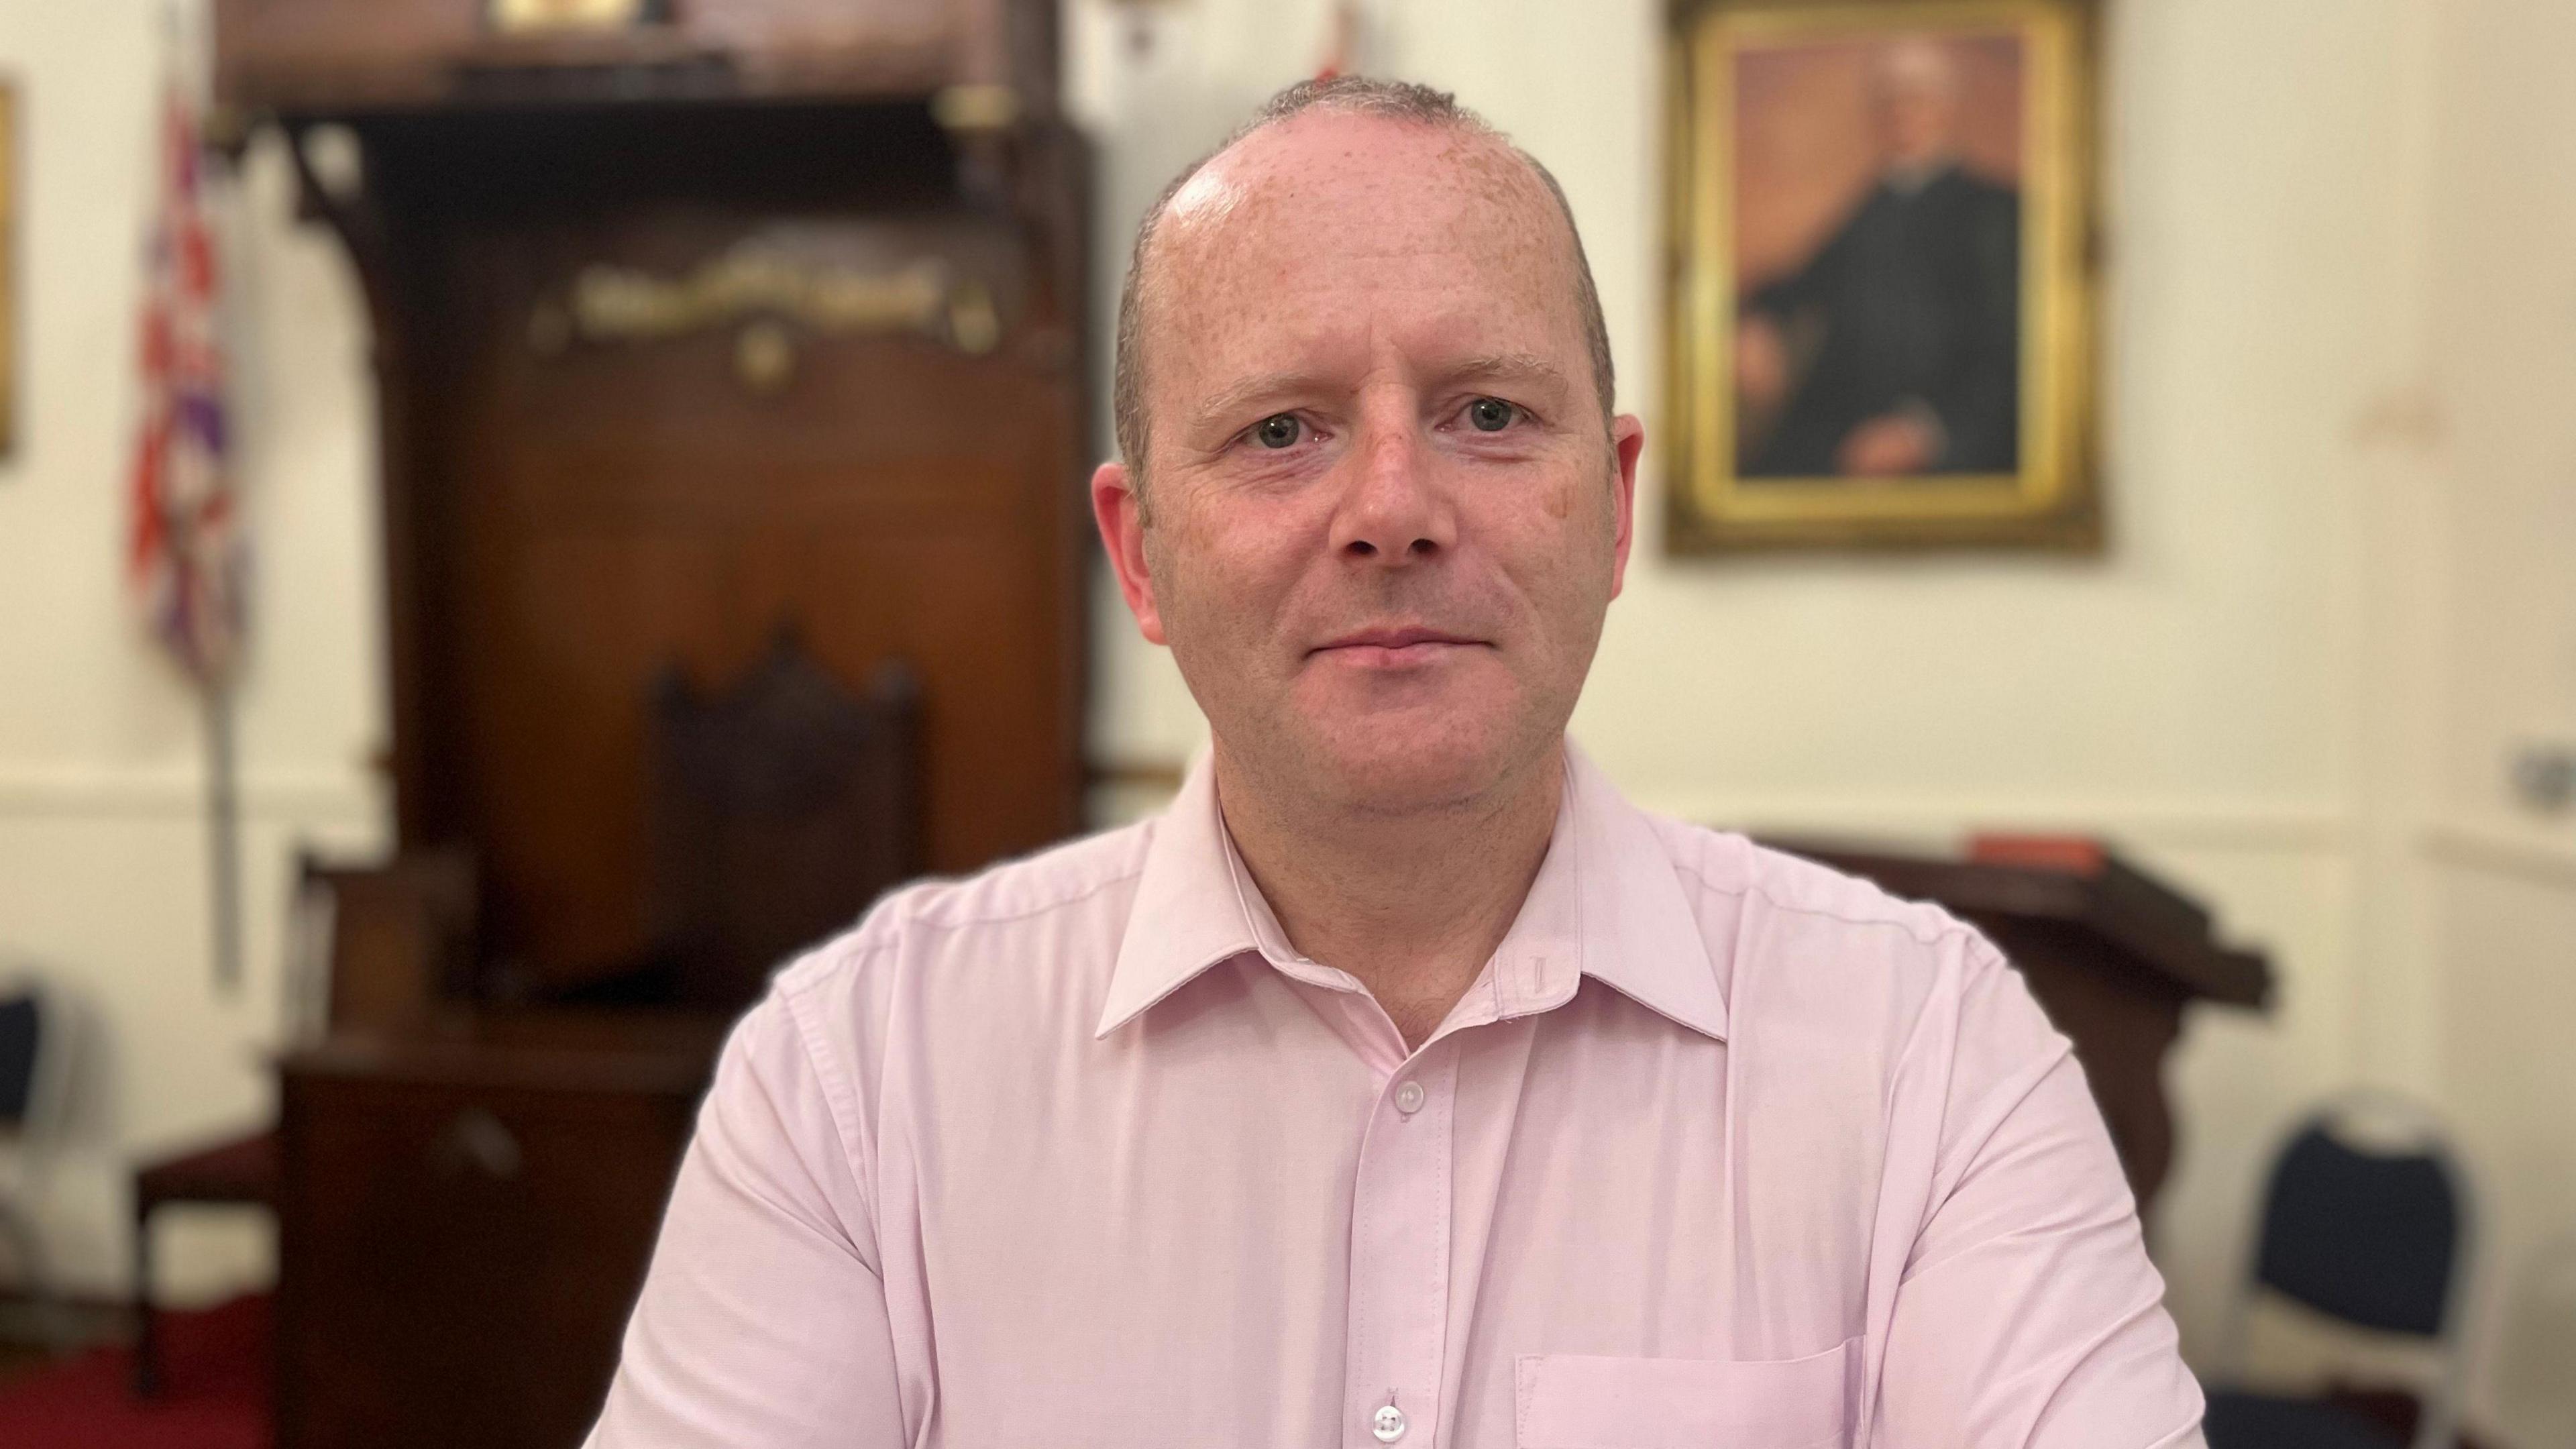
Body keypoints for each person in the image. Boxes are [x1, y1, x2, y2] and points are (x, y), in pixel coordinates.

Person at [585, 76, 2203, 1448]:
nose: (1390, 506)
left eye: (1487, 412)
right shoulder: (860, 1081)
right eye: (1281, 430)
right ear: (1138, 553)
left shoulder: (1928, 1055)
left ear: (1616, 504)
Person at [1736, 38, 2023, 478]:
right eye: (1888, 102)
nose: (1901, 114)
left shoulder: (1996, 210)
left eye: (1915, 99)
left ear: (1947, 106)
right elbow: (1805, 282)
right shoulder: (1874, 207)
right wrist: (1761, 317)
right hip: (1847, 426)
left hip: (1957, 438)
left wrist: (1925, 433)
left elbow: (2012, 352)